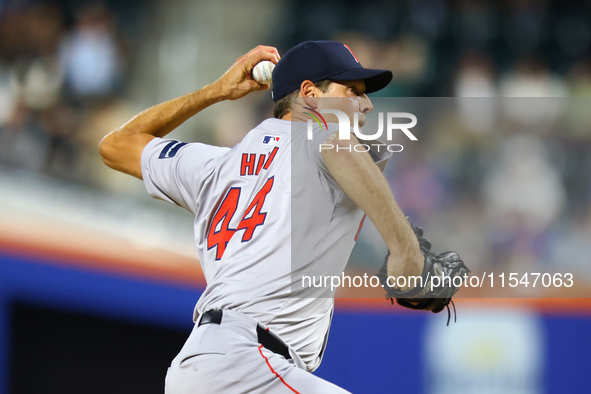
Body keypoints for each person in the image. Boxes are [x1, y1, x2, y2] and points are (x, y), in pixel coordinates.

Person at [99, 41, 425, 393]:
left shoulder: (216, 166)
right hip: (247, 363)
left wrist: (216, 92)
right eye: (352, 90)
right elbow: (338, 146)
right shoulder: (319, 135)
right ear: (310, 94)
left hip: (200, 366)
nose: (366, 104)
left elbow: (117, 145)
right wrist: (405, 250)